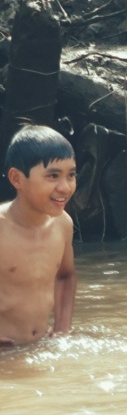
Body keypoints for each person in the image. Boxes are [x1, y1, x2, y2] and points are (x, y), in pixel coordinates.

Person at [0, 124, 77, 348]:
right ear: (17, 179)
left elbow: (66, 277)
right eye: (53, 176)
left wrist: (63, 329)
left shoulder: (63, 224)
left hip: (38, 348)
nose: (65, 187)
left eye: (71, 175)